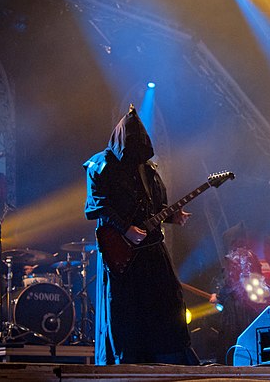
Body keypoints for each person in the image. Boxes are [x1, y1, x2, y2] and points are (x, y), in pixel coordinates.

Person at [83, 104, 199, 365]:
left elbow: (155, 208)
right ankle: (127, 363)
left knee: (168, 300)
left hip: (152, 249)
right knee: (126, 308)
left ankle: (170, 359)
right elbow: (97, 204)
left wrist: (173, 217)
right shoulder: (101, 165)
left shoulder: (148, 170)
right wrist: (125, 228)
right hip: (122, 253)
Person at [209, 222, 265, 364]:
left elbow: (230, 283)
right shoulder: (252, 256)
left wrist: (218, 297)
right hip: (252, 308)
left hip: (235, 310)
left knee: (231, 341)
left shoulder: (231, 258)